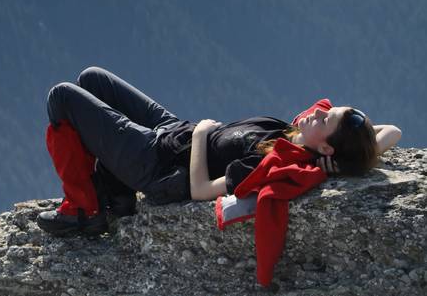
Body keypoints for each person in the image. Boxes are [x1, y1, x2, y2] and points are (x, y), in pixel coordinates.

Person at [37, 66, 402, 236]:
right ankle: (116, 196)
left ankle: (84, 210)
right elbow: (390, 133)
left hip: (158, 163)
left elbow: (200, 190)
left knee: (62, 97)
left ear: (325, 145)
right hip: (174, 130)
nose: (318, 112)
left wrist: (200, 136)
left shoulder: (271, 162)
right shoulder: (295, 135)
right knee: (92, 79)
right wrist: (341, 160)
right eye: (328, 110)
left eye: (325, 119)